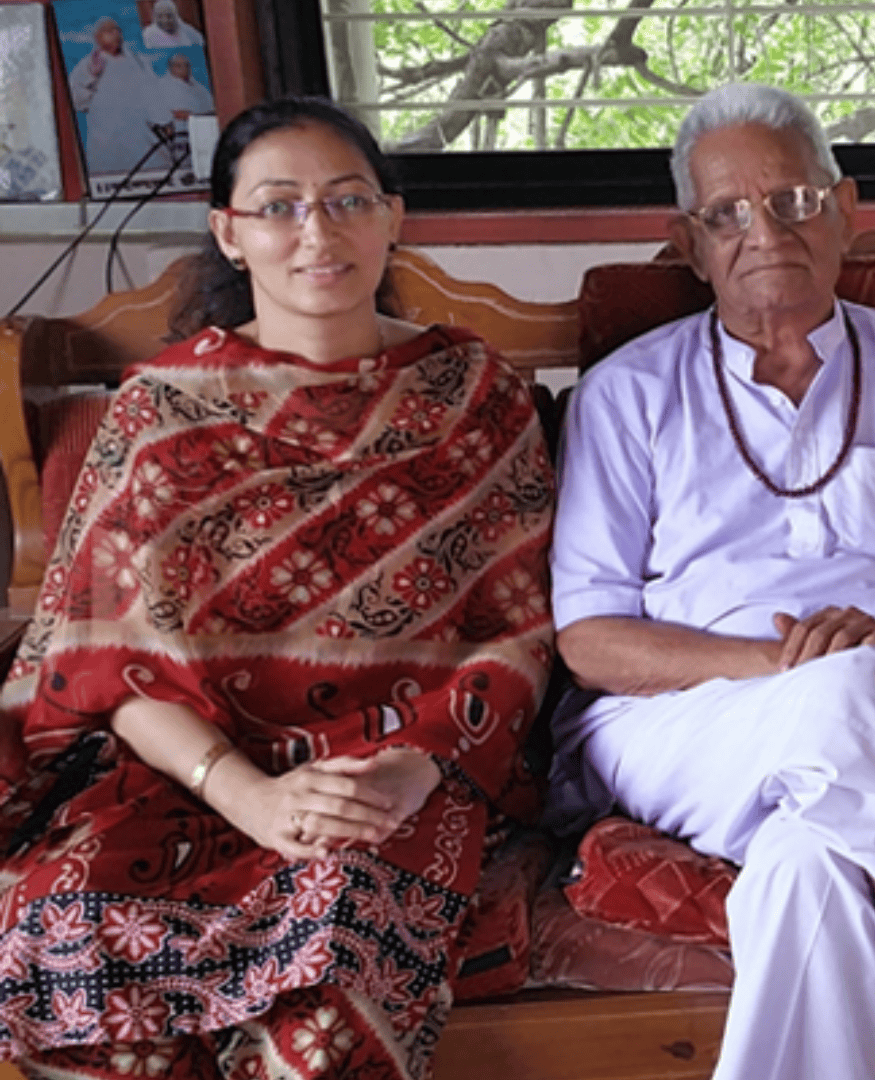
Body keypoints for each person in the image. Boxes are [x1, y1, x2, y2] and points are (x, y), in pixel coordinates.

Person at [0, 96, 554, 1080]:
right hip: (190, 773)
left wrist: (415, 769)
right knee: (67, 927)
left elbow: (517, 633)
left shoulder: (473, 395)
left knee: (333, 971)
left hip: (393, 776)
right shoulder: (159, 414)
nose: (317, 232)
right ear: (230, 231)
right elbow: (108, 666)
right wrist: (247, 795)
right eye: (280, 205)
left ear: (392, 216)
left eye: (347, 200)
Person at [547, 82, 875, 1080]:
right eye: (726, 213)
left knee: (807, 866)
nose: (765, 231)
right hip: (690, 726)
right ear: (688, 242)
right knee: (852, 688)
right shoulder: (627, 395)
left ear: (845, 209)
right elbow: (591, 640)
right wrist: (792, 667)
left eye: (793, 200)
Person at [68, 16, 172, 175]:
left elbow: (154, 95)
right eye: (108, 31)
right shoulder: (89, 65)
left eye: (117, 30)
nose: (115, 34)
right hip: (108, 144)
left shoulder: (139, 62)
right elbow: (76, 101)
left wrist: (165, 122)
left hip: (143, 140)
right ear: (97, 37)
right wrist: (92, 75)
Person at [159, 52, 215, 131]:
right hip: (182, 130)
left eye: (186, 65)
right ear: (171, 67)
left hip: (206, 125)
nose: (183, 68)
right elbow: (172, 113)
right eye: (178, 66)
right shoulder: (164, 85)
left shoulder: (198, 86)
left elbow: (211, 107)